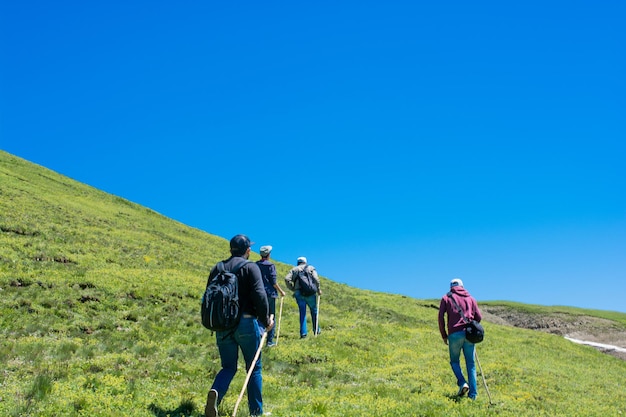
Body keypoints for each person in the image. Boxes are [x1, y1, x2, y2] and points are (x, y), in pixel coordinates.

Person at [205, 234, 275, 417]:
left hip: (222, 325)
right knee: (253, 367)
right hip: (245, 322)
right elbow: (260, 296)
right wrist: (267, 321)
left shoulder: (217, 268)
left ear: (231, 249)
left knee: (228, 367)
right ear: (248, 250)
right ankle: (256, 412)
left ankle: (216, 393)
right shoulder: (250, 267)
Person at [438, 278, 483, 400]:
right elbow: (479, 317)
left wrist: (444, 335)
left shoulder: (446, 298)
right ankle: (473, 395)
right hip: (469, 335)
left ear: (451, 287)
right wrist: (471, 327)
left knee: (454, 361)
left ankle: (462, 383)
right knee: (471, 364)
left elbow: (440, 317)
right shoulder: (471, 298)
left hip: (454, 334)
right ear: (462, 286)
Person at [284, 256, 322, 338]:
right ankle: (316, 330)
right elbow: (316, 278)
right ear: (305, 262)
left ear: (298, 262)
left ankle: (303, 334)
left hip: (299, 293)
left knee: (302, 312)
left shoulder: (294, 269)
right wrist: (318, 289)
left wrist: (293, 289)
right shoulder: (311, 268)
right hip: (310, 292)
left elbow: (287, 279)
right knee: (314, 311)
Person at [256, 245, 286, 347]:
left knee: (259, 316)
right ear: (268, 254)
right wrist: (281, 291)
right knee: (271, 316)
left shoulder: (256, 265)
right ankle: (269, 341)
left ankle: (258, 337)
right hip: (269, 294)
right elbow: (273, 282)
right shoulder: (270, 266)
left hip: (258, 294)